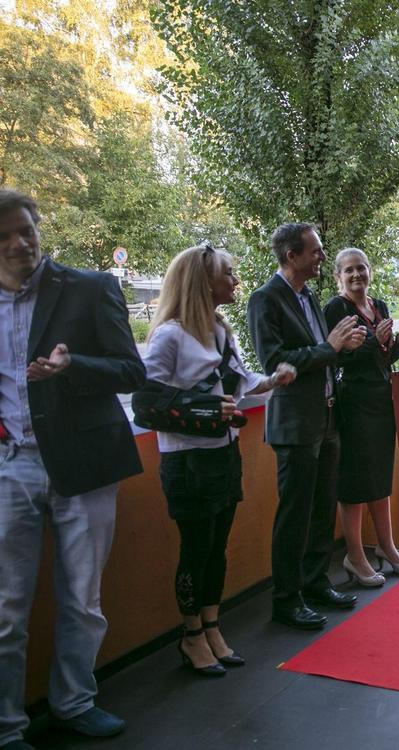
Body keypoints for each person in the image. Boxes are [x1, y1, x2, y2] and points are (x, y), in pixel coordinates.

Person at [0, 189, 145, 747]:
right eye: (4, 236)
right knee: (6, 608)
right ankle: (7, 727)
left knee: (82, 599)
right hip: (11, 467)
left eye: (26, 229)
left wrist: (73, 366)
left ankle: (74, 703)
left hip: (84, 463)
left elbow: (131, 371)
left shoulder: (90, 287)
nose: (20, 243)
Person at [144, 245, 297, 676]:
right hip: (187, 461)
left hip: (222, 453)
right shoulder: (170, 335)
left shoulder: (219, 330)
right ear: (202, 281)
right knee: (196, 550)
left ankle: (211, 626)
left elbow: (241, 382)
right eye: (227, 273)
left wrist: (274, 379)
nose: (235, 280)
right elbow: (148, 400)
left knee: (217, 549)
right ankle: (191, 634)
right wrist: (206, 409)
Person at [248, 222, 366, 630]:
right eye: (315, 251)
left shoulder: (309, 296)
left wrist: (342, 349)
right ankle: (286, 600)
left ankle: (315, 584)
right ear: (291, 256)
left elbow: (322, 354)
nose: (321, 256)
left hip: (327, 416)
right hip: (295, 423)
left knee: (322, 509)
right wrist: (329, 347)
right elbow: (274, 361)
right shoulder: (264, 299)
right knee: (294, 516)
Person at [324, 248, 399, 587]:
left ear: (369, 271)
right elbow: (337, 359)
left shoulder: (379, 305)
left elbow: (381, 359)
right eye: (349, 270)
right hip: (353, 404)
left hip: (381, 400)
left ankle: (387, 547)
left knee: (381, 476)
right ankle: (355, 556)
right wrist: (375, 342)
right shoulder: (336, 309)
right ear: (338, 276)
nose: (357, 275)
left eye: (361, 268)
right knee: (355, 481)